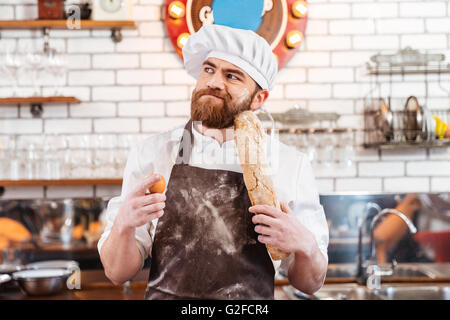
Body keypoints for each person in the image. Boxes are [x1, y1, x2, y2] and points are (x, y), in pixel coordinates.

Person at [98, 24, 329, 300]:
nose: (214, 82)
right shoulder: (152, 154)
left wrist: (306, 247)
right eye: (209, 69)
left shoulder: (291, 164)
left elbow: (311, 283)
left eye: (232, 76)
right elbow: (116, 272)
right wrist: (123, 224)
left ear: (259, 98)